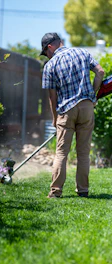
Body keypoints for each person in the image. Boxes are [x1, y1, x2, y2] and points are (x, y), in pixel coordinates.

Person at [40, 32, 104, 198]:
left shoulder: (50, 65)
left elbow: (52, 97)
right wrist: (93, 96)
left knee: (61, 153)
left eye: (46, 53)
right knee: (83, 152)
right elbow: (100, 72)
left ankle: (55, 192)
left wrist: (55, 119)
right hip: (86, 107)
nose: (47, 56)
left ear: (50, 47)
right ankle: (83, 190)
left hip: (66, 110)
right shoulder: (83, 53)